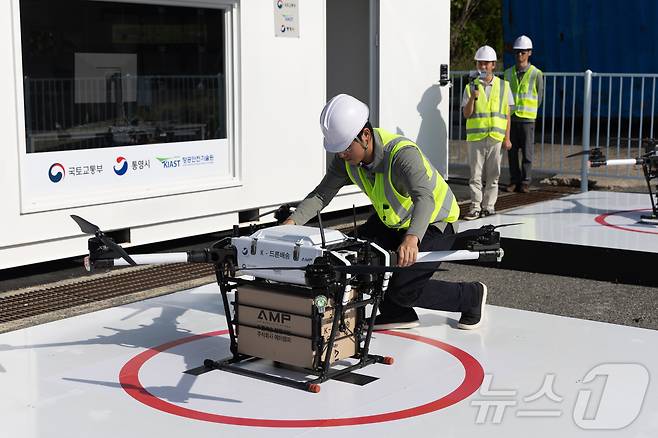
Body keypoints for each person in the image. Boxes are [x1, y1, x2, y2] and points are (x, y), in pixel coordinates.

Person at [283, 94, 487, 330]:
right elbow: (321, 195)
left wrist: (412, 239)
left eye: (346, 148)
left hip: (435, 220)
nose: (341, 155)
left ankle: (470, 296)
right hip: (394, 219)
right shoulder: (346, 160)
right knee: (355, 257)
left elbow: (425, 199)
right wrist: (291, 222)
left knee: (403, 288)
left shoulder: (401, 154)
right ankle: (397, 312)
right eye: (337, 150)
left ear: (366, 136)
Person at [461, 45, 514, 220]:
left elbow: (507, 114)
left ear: (493, 65)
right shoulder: (470, 87)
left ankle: (489, 206)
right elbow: (466, 114)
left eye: (486, 63)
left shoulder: (504, 86)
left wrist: (507, 138)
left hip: (496, 137)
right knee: (475, 176)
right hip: (476, 137)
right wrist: (473, 98)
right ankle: (475, 207)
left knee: (494, 175)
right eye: (480, 63)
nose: (482, 67)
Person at [504, 35, 543, 193]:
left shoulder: (536, 73)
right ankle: (514, 180)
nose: (520, 55)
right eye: (517, 52)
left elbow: (539, 97)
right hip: (511, 119)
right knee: (512, 153)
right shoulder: (508, 73)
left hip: (527, 119)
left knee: (527, 154)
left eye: (523, 52)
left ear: (529, 53)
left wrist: (531, 111)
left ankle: (525, 182)